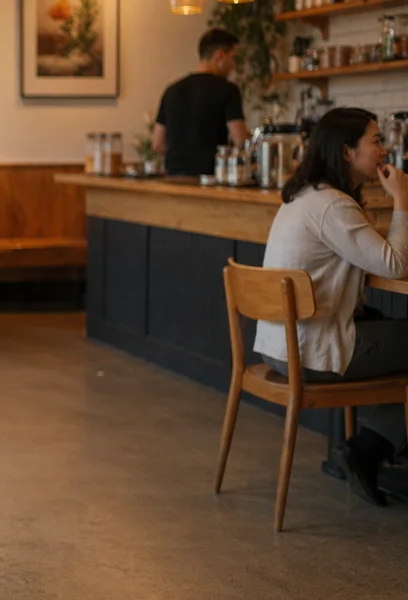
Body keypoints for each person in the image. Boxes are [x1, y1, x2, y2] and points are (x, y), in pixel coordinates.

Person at [254, 107, 408, 507]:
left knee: (393, 335)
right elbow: (396, 264)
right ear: (346, 152)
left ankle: (371, 450)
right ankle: (369, 451)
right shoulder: (333, 205)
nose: (384, 148)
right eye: (376, 140)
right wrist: (402, 199)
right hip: (309, 352)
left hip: (282, 345)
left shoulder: (307, 196)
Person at [151, 28, 249, 176]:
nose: (233, 66)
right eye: (232, 57)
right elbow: (240, 139)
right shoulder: (228, 90)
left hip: (173, 179)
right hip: (210, 179)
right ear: (219, 56)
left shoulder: (171, 90)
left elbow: (158, 144)